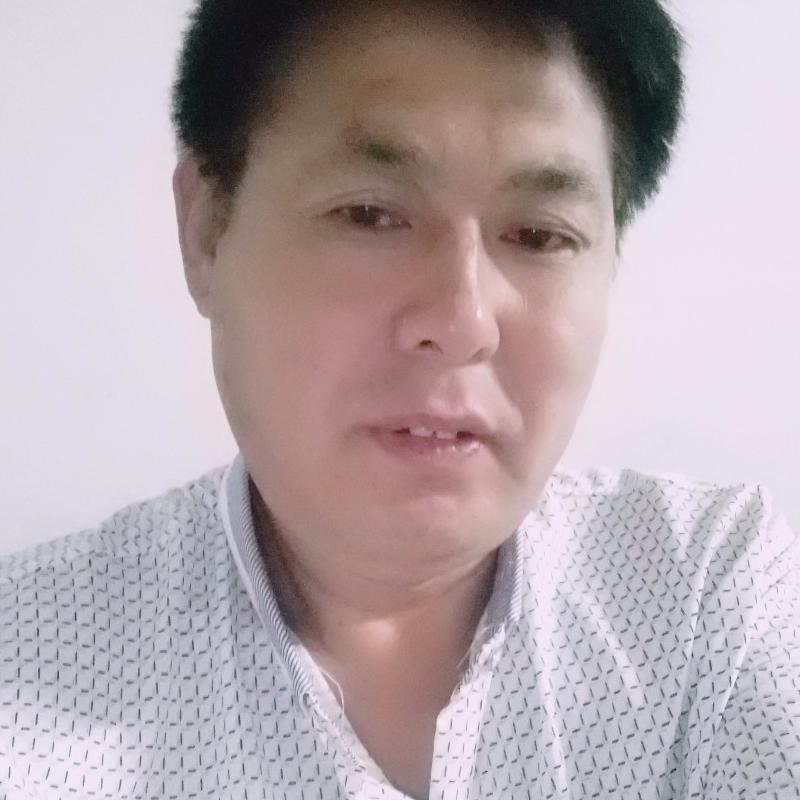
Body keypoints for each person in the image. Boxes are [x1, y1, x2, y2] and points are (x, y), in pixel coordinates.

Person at [1, 0, 798, 798]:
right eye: (371, 215)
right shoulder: (29, 656)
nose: (463, 323)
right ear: (207, 232)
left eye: (540, 235)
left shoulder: (710, 597)